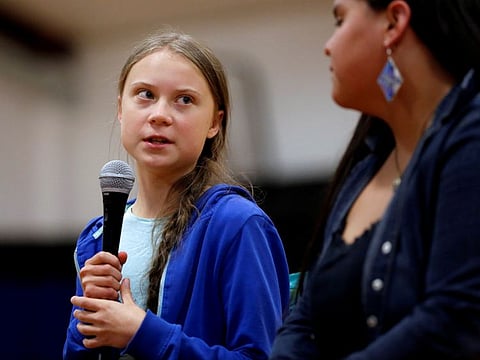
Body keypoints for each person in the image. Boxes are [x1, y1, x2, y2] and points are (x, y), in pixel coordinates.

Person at [270, 0, 480, 359]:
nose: (328, 45)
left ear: (394, 22)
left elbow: (455, 319)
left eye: (340, 21)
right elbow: (303, 320)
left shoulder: (469, 140)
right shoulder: (366, 165)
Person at [63, 29, 290, 360]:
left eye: (185, 99)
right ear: (120, 109)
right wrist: (82, 325)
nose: (159, 115)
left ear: (215, 122)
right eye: (144, 94)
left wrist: (142, 333)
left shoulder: (237, 225)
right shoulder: (95, 238)